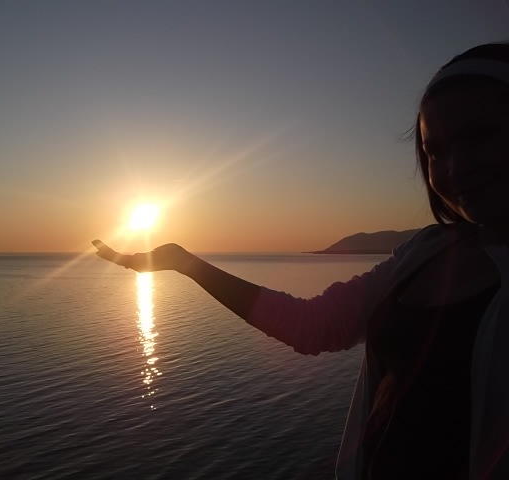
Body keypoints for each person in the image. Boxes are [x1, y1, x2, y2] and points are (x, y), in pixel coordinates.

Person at [92, 42, 509, 479]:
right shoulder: (423, 252)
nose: (456, 168)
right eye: (436, 151)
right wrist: (185, 263)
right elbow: (313, 326)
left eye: (480, 136)